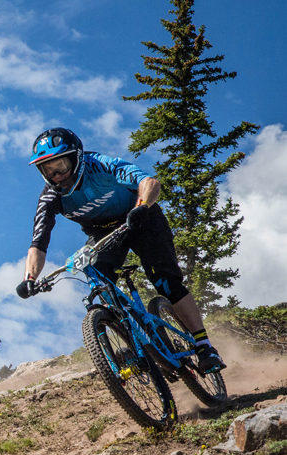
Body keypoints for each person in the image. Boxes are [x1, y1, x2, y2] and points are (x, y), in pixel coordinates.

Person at [16, 127, 225, 373]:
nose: (57, 175)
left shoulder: (99, 165)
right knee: (99, 283)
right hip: (103, 234)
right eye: (48, 170)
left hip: (141, 219)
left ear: (76, 157)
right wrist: (30, 278)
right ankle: (137, 346)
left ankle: (204, 344)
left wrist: (143, 206)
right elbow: (38, 244)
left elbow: (148, 182)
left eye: (61, 165)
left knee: (166, 281)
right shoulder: (50, 197)